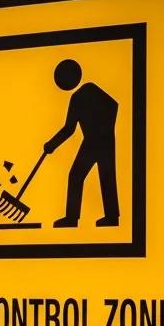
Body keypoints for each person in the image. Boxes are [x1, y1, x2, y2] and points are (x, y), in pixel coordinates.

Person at [43, 58, 120, 228]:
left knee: (101, 175)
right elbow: (69, 129)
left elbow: (114, 105)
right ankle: (74, 218)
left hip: (101, 140)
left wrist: (106, 128)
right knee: (81, 175)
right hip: (93, 141)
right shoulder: (77, 97)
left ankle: (110, 217)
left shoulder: (89, 90)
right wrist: (52, 145)